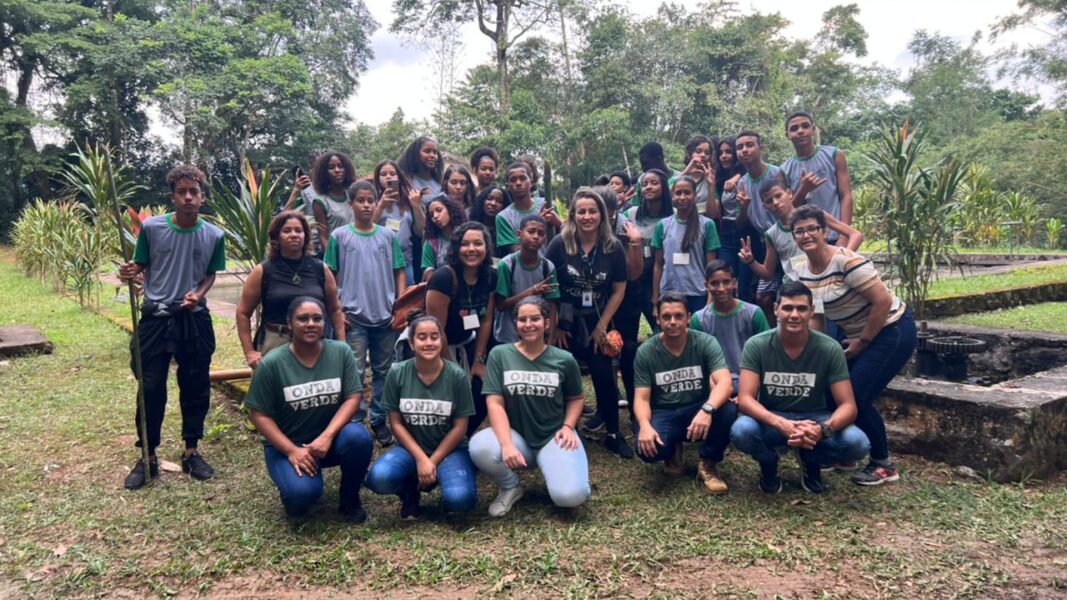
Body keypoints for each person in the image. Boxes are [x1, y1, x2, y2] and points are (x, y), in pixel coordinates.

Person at [790, 205, 917, 486]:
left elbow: (882, 301)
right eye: (800, 231)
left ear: (824, 231)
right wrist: (817, 352)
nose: (806, 234)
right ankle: (846, 454)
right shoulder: (802, 269)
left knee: (857, 395)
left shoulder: (846, 260)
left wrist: (863, 342)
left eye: (812, 228)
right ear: (794, 237)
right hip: (857, 337)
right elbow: (818, 315)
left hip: (890, 330)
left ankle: (884, 464)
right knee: (834, 389)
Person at [118, 165, 225, 490]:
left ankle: (191, 451)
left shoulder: (214, 235)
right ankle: (148, 456)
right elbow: (141, 264)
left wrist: (199, 293)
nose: (189, 197)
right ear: (173, 196)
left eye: (194, 191)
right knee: (150, 387)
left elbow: (210, 274)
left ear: (202, 197)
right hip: (155, 318)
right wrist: (129, 270)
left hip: (193, 318)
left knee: (195, 386)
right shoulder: (151, 228)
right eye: (182, 192)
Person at [730, 283, 871, 494]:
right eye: (787, 308)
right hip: (772, 418)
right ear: (776, 309)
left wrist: (821, 430)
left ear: (812, 311)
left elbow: (848, 406)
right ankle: (769, 463)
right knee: (741, 431)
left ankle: (811, 458)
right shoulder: (757, 345)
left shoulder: (829, 348)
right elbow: (746, 399)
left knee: (858, 443)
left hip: (814, 418)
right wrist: (781, 423)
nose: (794, 315)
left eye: (801, 308)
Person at [244, 297, 374, 520]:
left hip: (329, 441)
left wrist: (327, 436)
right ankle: (295, 491)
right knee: (302, 496)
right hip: (288, 445)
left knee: (359, 438)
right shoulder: (272, 363)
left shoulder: (340, 352)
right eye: (303, 319)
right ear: (290, 323)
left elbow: (353, 397)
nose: (311, 324)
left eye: (317, 318)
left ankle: (349, 499)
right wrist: (291, 450)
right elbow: (258, 413)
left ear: (325, 323)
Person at [469, 297, 591, 516]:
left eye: (535, 318)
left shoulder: (564, 359)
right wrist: (506, 444)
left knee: (571, 496)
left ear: (546, 322)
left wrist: (568, 427)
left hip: (553, 436)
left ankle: (555, 466)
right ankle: (510, 486)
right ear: (515, 324)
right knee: (479, 446)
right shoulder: (500, 355)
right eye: (522, 319)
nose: (528, 324)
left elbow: (576, 398)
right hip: (517, 437)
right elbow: (494, 402)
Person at [546, 188, 633, 458]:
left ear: (602, 215)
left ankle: (613, 433)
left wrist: (602, 326)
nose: (587, 216)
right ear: (573, 215)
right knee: (558, 375)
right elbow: (549, 285)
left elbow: (619, 288)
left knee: (604, 374)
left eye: (592, 211)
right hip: (565, 320)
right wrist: (555, 325)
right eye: (581, 211)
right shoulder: (560, 244)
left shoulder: (613, 245)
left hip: (597, 319)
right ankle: (555, 432)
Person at [365, 316, 478, 519]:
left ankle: (445, 489)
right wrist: (420, 459)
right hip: (411, 448)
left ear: (441, 341)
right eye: (422, 337)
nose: (428, 343)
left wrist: (431, 462)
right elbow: (396, 423)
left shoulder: (456, 375)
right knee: (378, 478)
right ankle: (410, 492)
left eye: (434, 337)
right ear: (411, 342)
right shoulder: (398, 373)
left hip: (450, 449)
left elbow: (460, 427)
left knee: (461, 500)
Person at [324, 181, 408, 447]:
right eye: (360, 200)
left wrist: (401, 305)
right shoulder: (339, 236)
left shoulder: (388, 236)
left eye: (371, 200)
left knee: (385, 369)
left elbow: (399, 270)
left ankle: (380, 419)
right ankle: (355, 420)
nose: (366, 205)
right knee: (355, 370)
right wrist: (336, 309)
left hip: (385, 315)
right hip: (353, 316)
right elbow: (329, 275)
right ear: (351, 204)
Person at [633, 292, 736, 493]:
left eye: (678, 316)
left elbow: (725, 382)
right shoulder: (646, 351)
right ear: (658, 319)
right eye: (666, 317)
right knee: (648, 450)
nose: (673, 322)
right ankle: (672, 450)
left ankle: (708, 462)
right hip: (665, 411)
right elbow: (641, 398)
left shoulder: (705, 342)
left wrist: (707, 410)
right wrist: (645, 426)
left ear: (688, 317)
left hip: (697, 407)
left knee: (727, 410)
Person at [235, 211, 345, 368]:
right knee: (274, 391)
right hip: (276, 341)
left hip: (314, 342)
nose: (294, 235)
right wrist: (249, 352)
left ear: (305, 236)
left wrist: (342, 347)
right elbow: (243, 313)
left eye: (298, 231)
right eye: (287, 231)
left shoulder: (320, 269)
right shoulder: (263, 271)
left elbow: (335, 310)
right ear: (276, 237)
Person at [425, 221, 497, 436]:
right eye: (465, 244)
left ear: (487, 247)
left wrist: (478, 360)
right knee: (449, 392)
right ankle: (439, 437)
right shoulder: (444, 278)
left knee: (484, 388)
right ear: (456, 248)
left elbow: (486, 320)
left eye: (478, 243)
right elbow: (436, 330)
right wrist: (452, 370)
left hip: (469, 343)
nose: (472, 249)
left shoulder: (490, 276)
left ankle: (463, 437)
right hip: (436, 345)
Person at [738, 181, 862, 288]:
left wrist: (840, 262)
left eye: (778, 196)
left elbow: (855, 235)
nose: (775, 202)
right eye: (769, 201)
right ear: (765, 206)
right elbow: (768, 274)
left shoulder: (814, 215)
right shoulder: (772, 234)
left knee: (821, 313)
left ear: (789, 193)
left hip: (822, 281)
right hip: (794, 289)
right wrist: (751, 261)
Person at [596, 185, 645, 412]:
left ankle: (637, 409)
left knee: (627, 351)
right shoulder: (584, 229)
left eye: (609, 212)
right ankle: (607, 409)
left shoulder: (626, 227)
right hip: (596, 300)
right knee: (600, 354)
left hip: (626, 299)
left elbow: (634, 274)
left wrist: (635, 243)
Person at [689, 260, 770, 395]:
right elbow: (698, 363)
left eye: (726, 282)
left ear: (734, 283)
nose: (721, 288)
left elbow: (767, 355)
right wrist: (718, 393)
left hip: (750, 382)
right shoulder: (699, 319)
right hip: (716, 384)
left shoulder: (753, 313)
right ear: (706, 285)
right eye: (715, 283)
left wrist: (750, 392)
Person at [735, 130, 789, 312]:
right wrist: (743, 207)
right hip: (765, 242)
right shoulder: (742, 182)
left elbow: (792, 204)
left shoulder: (777, 173)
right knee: (763, 298)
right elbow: (740, 224)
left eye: (749, 145)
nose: (744, 150)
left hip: (789, 237)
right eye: (740, 147)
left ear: (761, 148)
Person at [780, 111, 854, 242]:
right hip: (805, 238)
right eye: (794, 128)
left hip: (834, 235)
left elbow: (846, 195)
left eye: (805, 126)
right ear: (787, 135)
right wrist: (803, 190)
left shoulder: (834, 155)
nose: (800, 131)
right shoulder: (784, 169)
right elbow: (788, 211)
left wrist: (844, 235)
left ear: (813, 129)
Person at [651, 175, 720, 314]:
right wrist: (655, 300)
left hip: (698, 293)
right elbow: (658, 264)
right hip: (669, 293)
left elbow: (710, 267)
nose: (682, 197)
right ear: (672, 196)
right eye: (678, 193)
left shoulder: (707, 225)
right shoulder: (662, 225)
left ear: (695, 195)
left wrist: (710, 298)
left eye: (687, 193)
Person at [494, 214, 560, 345]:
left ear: (545, 239)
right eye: (531, 231)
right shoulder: (507, 265)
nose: (535, 236)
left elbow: (552, 305)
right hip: (509, 337)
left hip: (537, 336)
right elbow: (500, 305)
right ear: (520, 234)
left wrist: (550, 338)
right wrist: (531, 292)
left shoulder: (548, 266)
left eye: (540, 234)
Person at [623, 168, 673, 332]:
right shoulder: (631, 214)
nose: (648, 187)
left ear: (664, 187)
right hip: (634, 277)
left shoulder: (674, 216)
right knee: (629, 326)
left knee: (659, 323)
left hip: (660, 276)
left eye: (654, 183)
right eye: (644, 184)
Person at [372, 159, 426, 286]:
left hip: (405, 258)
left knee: (407, 299)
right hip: (380, 258)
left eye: (392, 173)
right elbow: (366, 226)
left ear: (399, 176)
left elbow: (420, 231)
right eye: (383, 174)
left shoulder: (410, 200)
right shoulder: (372, 200)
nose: (388, 177)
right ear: (377, 178)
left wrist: (417, 206)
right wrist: (380, 206)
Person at [496, 162, 561, 255]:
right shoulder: (503, 217)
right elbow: (517, 252)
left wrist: (558, 223)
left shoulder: (547, 205)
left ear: (531, 182)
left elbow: (567, 238)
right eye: (513, 180)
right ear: (507, 186)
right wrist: (538, 224)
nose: (518, 183)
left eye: (523, 178)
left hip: (553, 266)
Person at [707, 136, 746, 283]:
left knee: (744, 283)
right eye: (721, 153)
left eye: (728, 152)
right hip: (726, 232)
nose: (724, 156)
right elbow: (715, 212)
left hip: (746, 230)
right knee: (725, 274)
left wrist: (737, 177)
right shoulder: (719, 176)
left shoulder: (745, 173)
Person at [309, 151, 358, 252]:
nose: (337, 170)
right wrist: (332, 262)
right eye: (331, 167)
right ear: (324, 172)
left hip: (356, 252)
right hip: (335, 255)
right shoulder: (320, 201)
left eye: (340, 166)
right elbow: (323, 237)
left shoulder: (354, 196)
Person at [420, 195, 467, 281]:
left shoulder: (467, 235)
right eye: (431, 214)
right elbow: (428, 272)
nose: (435, 216)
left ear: (450, 209)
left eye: (439, 210)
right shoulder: (431, 242)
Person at [677, 135, 717, 217]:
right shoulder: (677, 177)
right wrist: (685, 173)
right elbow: (665, 199)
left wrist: (711, 185)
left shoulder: (712, 179)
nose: (703, 155)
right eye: (698, 151)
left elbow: (713, 214)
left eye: (707, 153)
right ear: (689, 154)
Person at [470, 184, 511, 258]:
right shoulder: (470, 226)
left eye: (499, 201)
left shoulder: (507, 231)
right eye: (489, 198)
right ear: (482, 201)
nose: (493, 203)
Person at [399, 136, 443, 202]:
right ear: (415, 154)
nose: (432, 155)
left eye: (435, 152)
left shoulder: (440, 182)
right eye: (427, 151)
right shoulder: (406, 182)